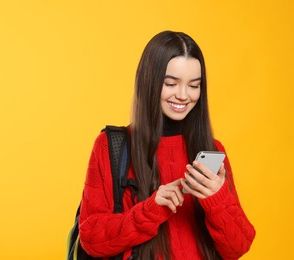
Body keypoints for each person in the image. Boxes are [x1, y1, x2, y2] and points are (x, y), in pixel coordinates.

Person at [79, 30, 256, 260]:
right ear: (149, 82)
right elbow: (91, 239)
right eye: (171, 83)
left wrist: (217, 198)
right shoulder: (111, 146)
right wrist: (150, 210)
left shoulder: (213, 150)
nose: (183, 95)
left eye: (194, 85)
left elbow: (238, 247)